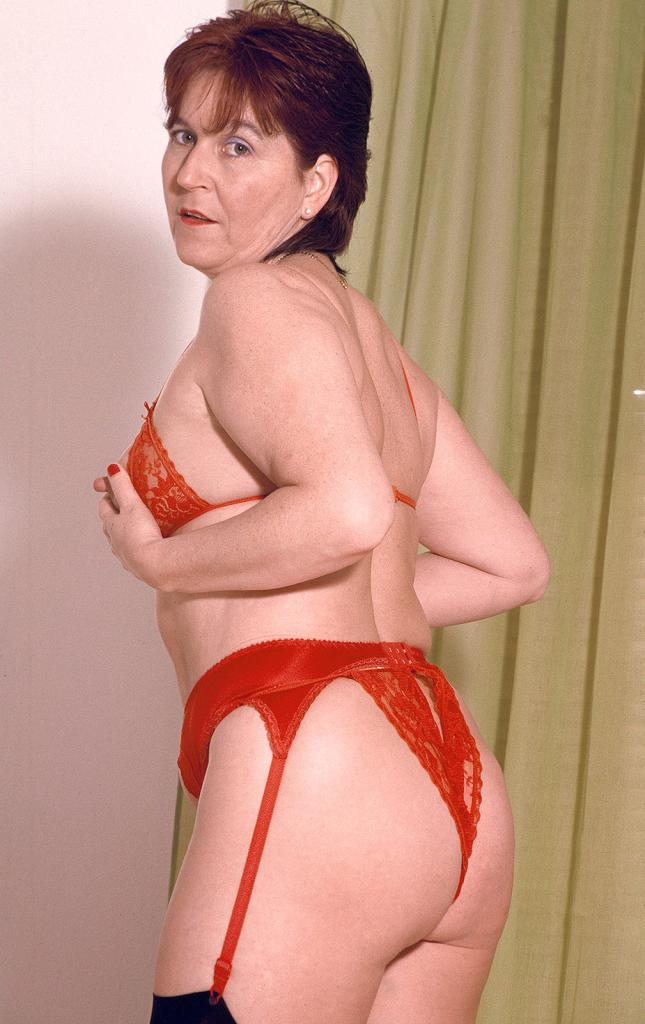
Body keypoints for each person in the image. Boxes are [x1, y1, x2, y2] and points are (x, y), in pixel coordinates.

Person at [93, 3, 549, 1022]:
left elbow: (344, 510)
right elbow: (511, 564)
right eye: (183, 133)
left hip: (314, 764)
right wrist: (356, 600)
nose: (190, 173)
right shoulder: (376, 347)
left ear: (317, 182)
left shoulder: (252, 301)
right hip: (450, 785)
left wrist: (160, 560)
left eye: (238, 144)